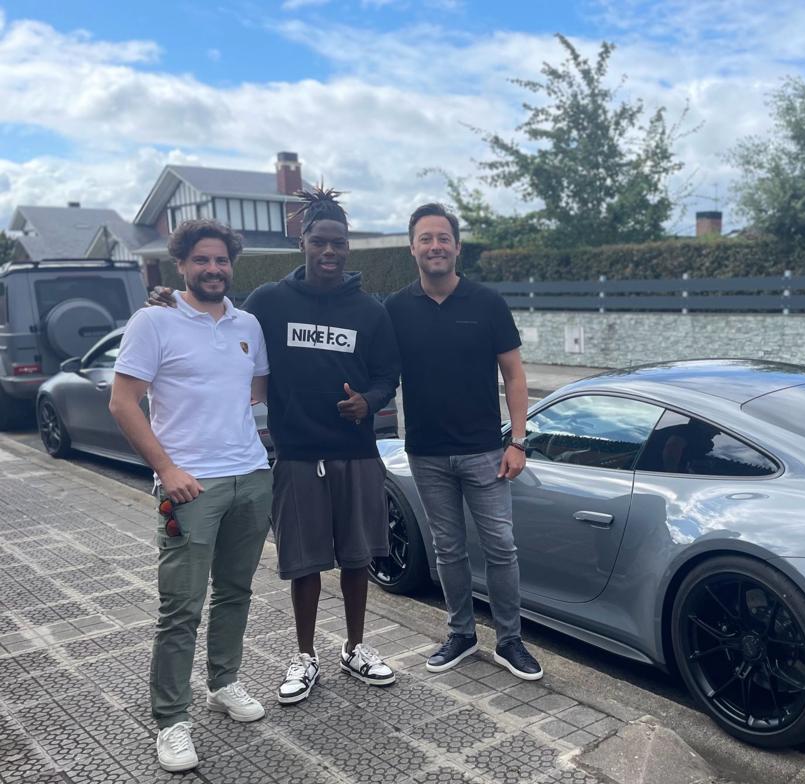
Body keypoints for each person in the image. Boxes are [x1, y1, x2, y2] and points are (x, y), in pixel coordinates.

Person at [149, 187, 400, 705]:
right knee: (304, 562)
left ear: (348, 247)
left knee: (357, 559)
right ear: (302, 242)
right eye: (319, 242)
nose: (329, 252)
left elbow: (387, 375)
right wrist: (169, 303)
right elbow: (217, 318)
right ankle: (305, 655)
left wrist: (369, 403)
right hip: (296, 456)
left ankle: (355, 647)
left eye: (338, 244)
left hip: (355, 454)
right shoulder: (269, 301)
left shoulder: (370, 311)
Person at [110, 219, 272, 772]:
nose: (212, 269)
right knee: (181, 607)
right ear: (181, 264)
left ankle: (223, 682)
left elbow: (256, 391)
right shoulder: (153, 321)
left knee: (236, 592)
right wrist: (167, 468)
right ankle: (171, 720)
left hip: (251, 476)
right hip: (189, 487)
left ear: (232, 265)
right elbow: (123, 402)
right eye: (201, 260)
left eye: (221, 261)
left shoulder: (248, 323)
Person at [383, 203, 543, 681]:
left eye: (443, 238)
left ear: (457, 245)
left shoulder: (487, 303)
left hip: (484, 451)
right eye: (425, 238)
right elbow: (375, 370)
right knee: (448, 548)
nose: (435, 246)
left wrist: (518, 440)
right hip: (427, 452)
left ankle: (509, 641)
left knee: (501, 546)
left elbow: (514, 375)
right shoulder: (394, 309)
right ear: (412, 247)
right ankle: (461, 633)